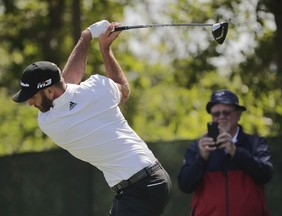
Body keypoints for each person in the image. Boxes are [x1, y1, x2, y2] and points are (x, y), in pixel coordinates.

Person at [12, 20, 171, 216]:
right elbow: (123, 90)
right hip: (147, 181)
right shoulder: (97, 90)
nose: (30, 104)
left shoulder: (49, 121)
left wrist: (86, 37)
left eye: (32, 97)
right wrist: (103, 48)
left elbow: (69, 81)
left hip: (140, 187)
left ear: (50, 92)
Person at [178, 89, 273, 216]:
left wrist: (236, 152)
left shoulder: (255, 143)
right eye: (216, 114)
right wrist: (202, 158)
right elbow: (185, 186)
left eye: (226, 113)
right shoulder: (198, 147)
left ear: (238, 114)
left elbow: (265, 175)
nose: (221, 117)